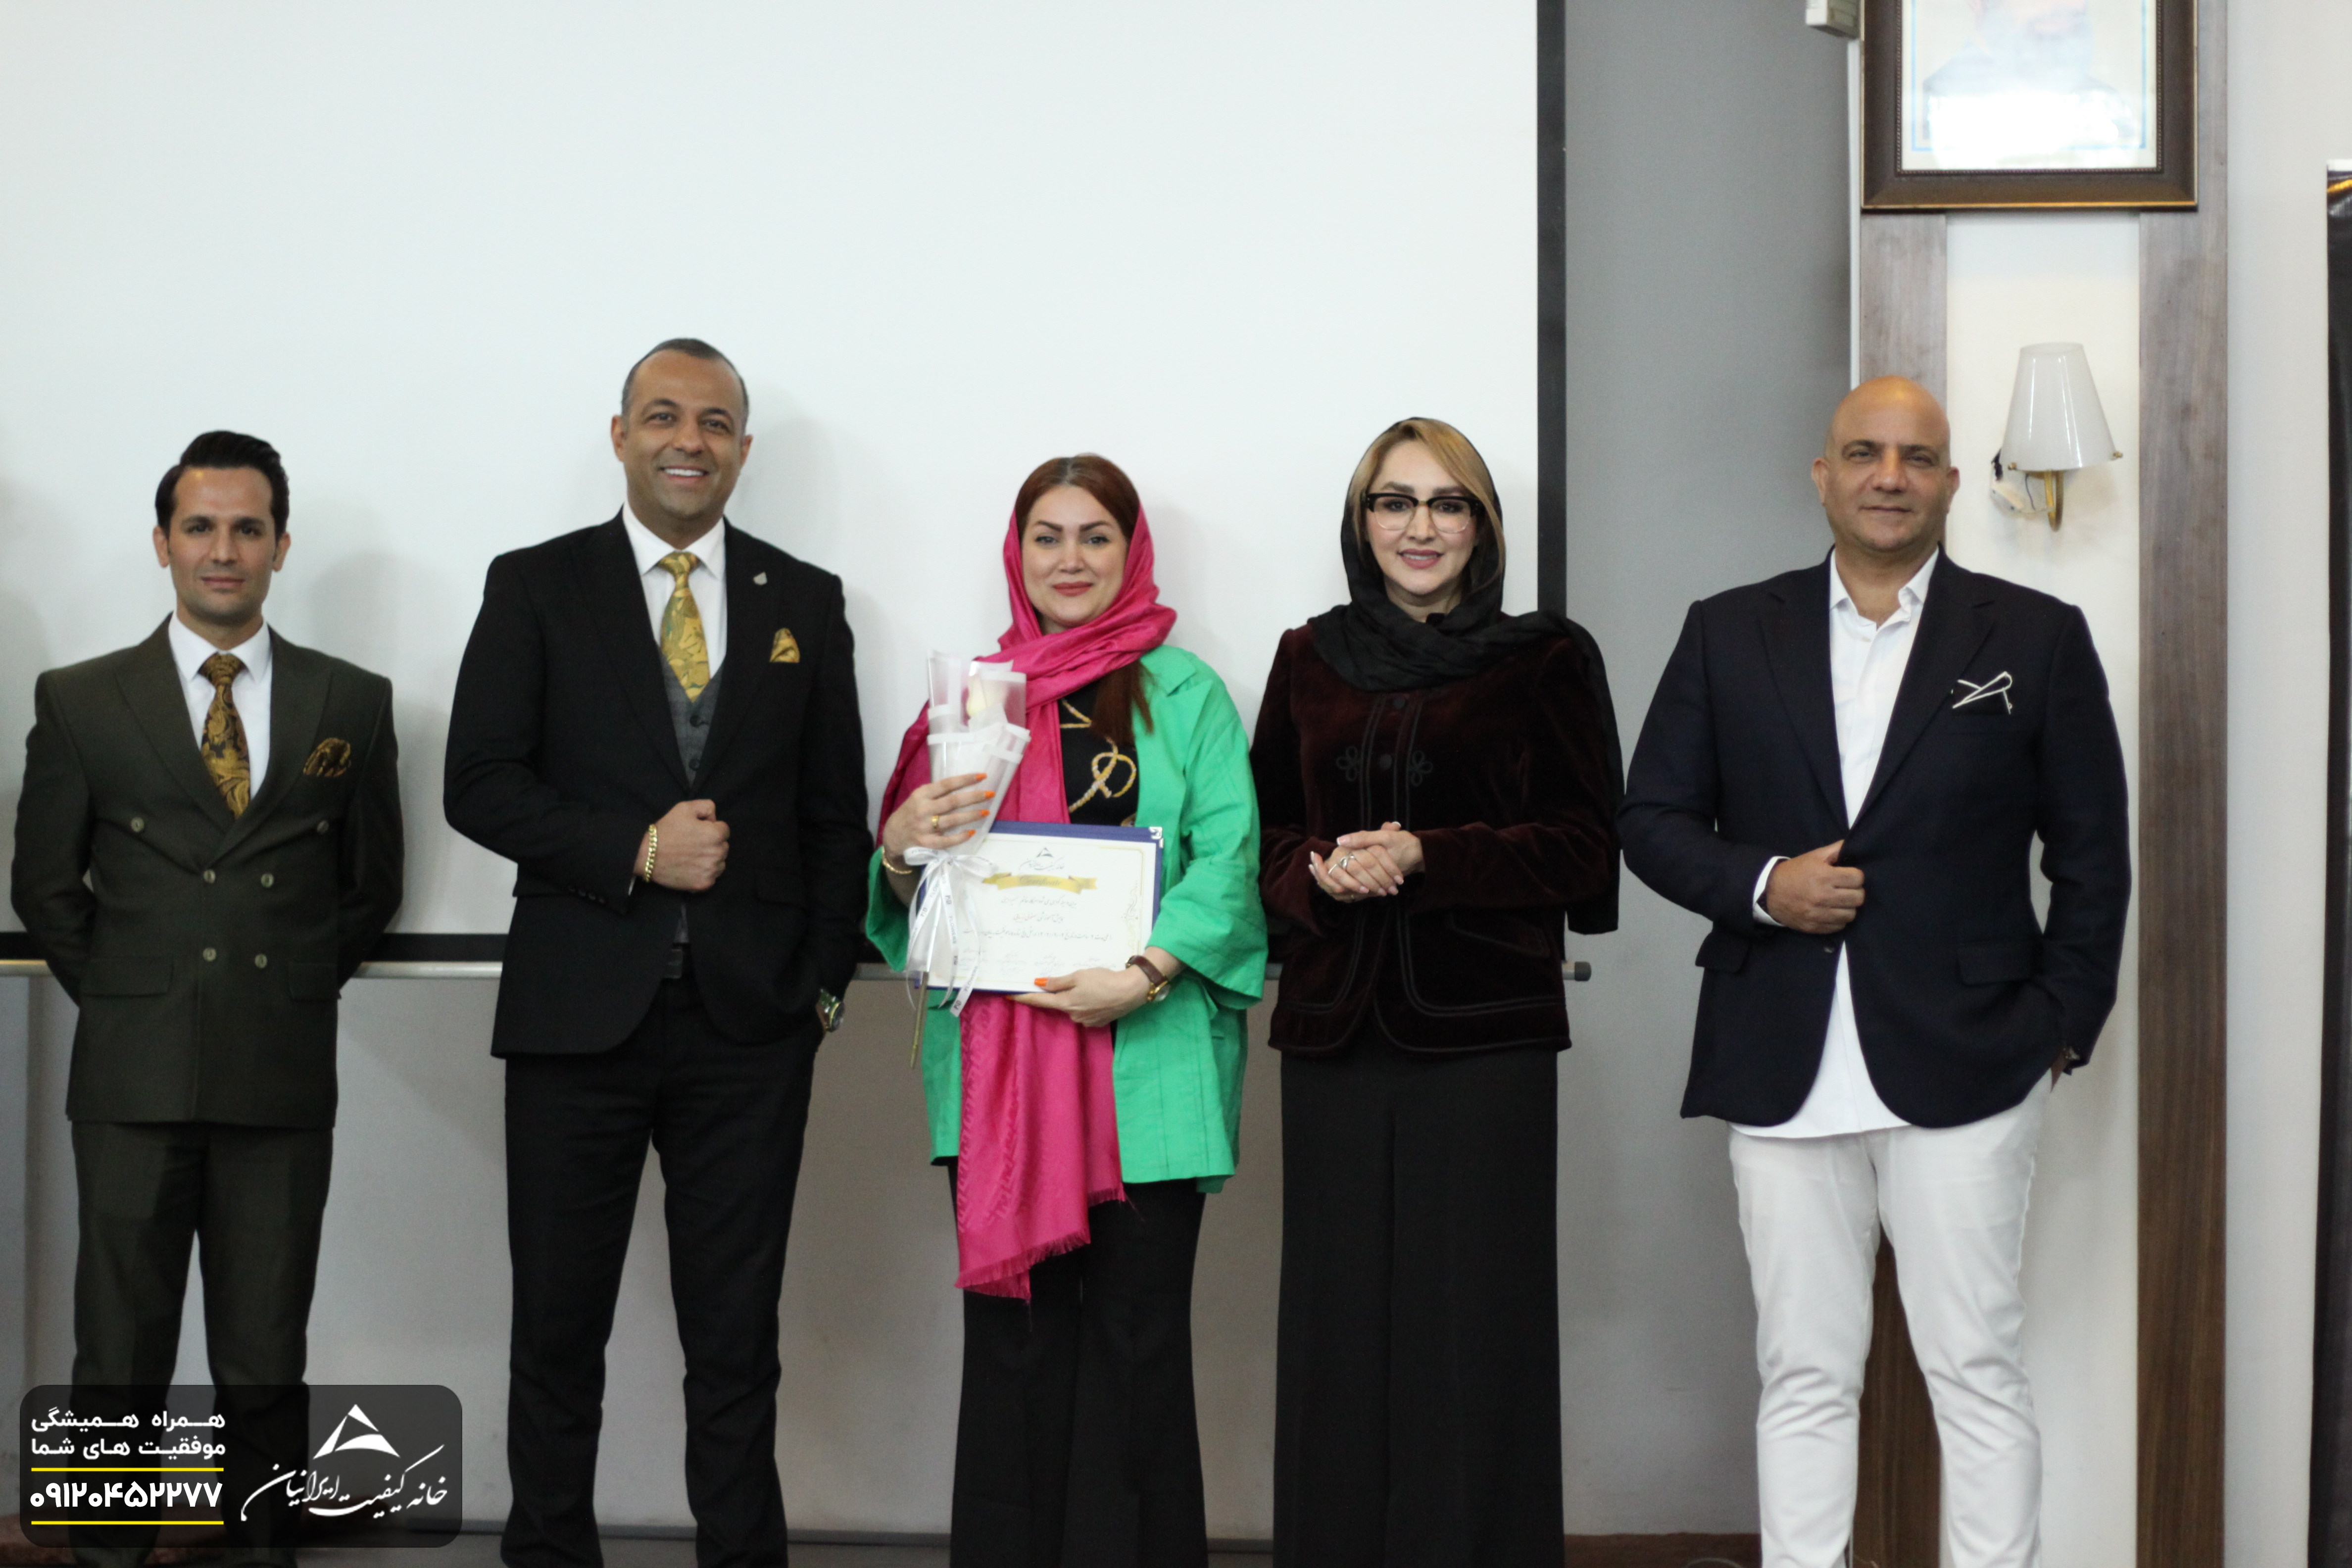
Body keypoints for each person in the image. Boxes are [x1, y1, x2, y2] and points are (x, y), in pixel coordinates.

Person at [1617, 377, 2130, 1568]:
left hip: (1974, 1058)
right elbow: (1651, 818)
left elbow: (2094, 854)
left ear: (1950, 481)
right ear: (1823, 476)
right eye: (1863, 452)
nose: (1888, 475)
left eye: (1915, 456)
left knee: (1976, 1367)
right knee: (1803, 1371)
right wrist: (1765, 884)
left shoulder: (2035, 636)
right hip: (1778, 1053)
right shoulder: (1726, 630)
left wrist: (2062, 1021)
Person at [444, 339, 870, 1568]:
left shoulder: (806, 599)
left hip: (750, 1032)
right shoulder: (537, 585)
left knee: (736, 1339)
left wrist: (821, 995)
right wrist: (636, 849)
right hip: (577, 1019)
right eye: (666, 416)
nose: (691, 440)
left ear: (744, 447)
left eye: (717, 422)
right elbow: (480, 782)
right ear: (621, 434)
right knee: (556, 1330)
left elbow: (833, 818)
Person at [11, 429, 405, 1564]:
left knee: (265, 1349)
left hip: (279, 1073)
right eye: (199, 528)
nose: (222, 551)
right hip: (129, 1076)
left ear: (281, 545)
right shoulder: (82, 699)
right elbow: (45, 886)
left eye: (246, 528)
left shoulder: (352, 700)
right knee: (118, 1350)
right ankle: (108, 1555)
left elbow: (370, 886)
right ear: (162, 543)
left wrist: (287, 996)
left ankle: (260, 1545)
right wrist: (130, 997)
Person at [868, 453, 1265, 1568]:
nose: (1071, 559)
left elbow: (1231, 860)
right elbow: (917, 892)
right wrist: (898, 846)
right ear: (1018, 554)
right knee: (1014, 1354)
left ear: (1132, 552)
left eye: (1096, 536)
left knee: (1140, 1348)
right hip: (1002, 1085)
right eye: (1048, 536)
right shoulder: (969, 701)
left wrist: (1143, 974)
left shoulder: (1186, 694)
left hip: (1151, 1057)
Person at [1247, 417, 1620, 1566]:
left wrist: (1427, 855)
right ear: (1361, 523)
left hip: (1484, 1038)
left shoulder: (1547, 659)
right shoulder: (1308, 657)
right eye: (1395, 502)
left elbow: (1587, 851)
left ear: (1482, 528)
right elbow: (1263, 839)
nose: (1421, 527)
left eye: (1448, 504)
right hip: (1333, 1031)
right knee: (1337, 1333)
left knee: (1476, 1333)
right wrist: (1317, 873)